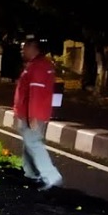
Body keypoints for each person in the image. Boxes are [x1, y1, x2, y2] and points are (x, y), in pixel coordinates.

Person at [13, 39, 63, 191]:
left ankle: (51, 176)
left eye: (24, 48)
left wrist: (33, 116)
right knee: (29, 143)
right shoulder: (39, 65)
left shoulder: (39, 66)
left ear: (32, 48)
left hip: (33, 114)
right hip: (30, 113)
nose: (22, 51)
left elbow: (36, 93)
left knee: (33, 142)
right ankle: (31, 174)